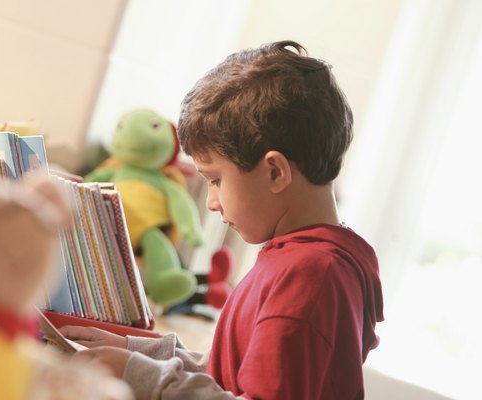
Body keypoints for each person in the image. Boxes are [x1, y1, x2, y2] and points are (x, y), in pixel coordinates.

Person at [61, 40, 384, 400]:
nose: (212, 203)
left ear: (275, 172)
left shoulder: (309, 277)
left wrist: (139, 374)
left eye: (215, 180)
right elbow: (229, 374)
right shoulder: (301, 259)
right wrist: (137, 351)